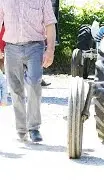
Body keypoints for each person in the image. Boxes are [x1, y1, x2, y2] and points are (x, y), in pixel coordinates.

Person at [0, 0, 57, 142]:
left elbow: (50, 24)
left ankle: (34, 128)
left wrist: (50, 50)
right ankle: (21, 129)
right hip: (11, 47)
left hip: (35, 46)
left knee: (34, 84)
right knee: (15, 89)